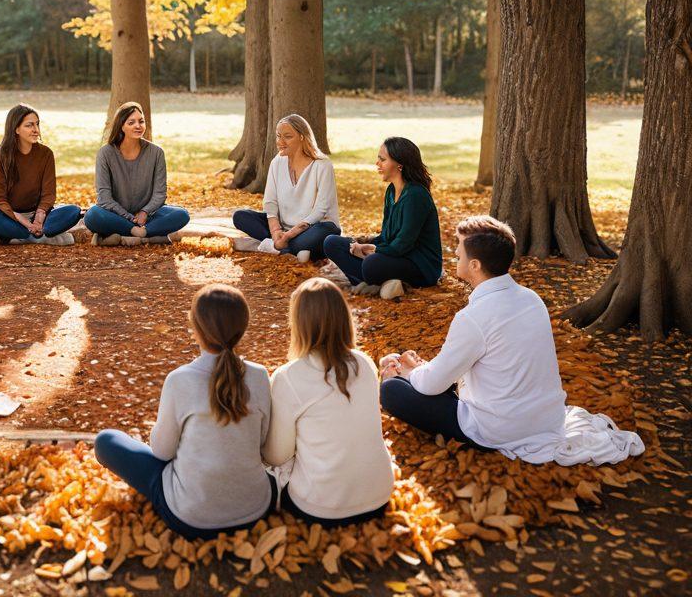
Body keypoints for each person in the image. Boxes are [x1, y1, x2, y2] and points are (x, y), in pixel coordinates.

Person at [379, 216, 643, 465]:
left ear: (475, 265)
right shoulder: (532, 299)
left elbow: (431, 385)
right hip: (546, 420)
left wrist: (407, 373)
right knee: (429, 377)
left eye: (459, 248)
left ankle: (401, 376)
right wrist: (421, 371)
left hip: (499, 429)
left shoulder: (472, 317)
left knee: (391, 390)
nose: (456, 253)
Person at [93, 284, 275, 539]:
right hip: (255, 511)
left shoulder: (180, 380)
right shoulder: (259, 376)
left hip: (190, 517)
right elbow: (263, 444)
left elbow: (162, 452)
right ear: (242, 329)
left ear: (196, 329)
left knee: (106, 441)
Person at [265, 278, 393, 526]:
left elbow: (277, 456)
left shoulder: (288, 377)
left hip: (320, 506)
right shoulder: (364, 363)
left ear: (298, 323)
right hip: (379, 496)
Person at [322, 136, 442, 299]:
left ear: (399, 164)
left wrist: (373, 250)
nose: (377, 164)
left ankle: (371, 280)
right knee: (332, 242)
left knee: (372, 264)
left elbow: (403, 245)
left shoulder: (416, 196)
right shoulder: (391, 191)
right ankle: (377, 282)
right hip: (394, 256)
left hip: (419, 265)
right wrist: (363, 245)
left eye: (382, 159)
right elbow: (386, 236)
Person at [232, 115, 341, 262]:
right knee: (240, 216)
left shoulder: (322, 165)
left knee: (326, 231)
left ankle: (278, 246)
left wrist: (289, 235)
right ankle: (291, 249)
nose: (280, 142)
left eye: (287, 137)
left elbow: (321, 210)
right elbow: (270, 202)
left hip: (313, 227)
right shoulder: (277, 162)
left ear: (302, 137)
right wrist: (276, 231)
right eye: (278, 136)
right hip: (283, 227)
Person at [84, 101, 191, 246]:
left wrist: (144, 212)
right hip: (116, 215)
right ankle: (146, 235)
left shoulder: (156, 153)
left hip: (148, 217)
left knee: (181, 214)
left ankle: (134, 234)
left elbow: (160, 194)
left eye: (141, 121)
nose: (138, 126)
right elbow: (104, 198)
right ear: (121, 126)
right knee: (92, 215)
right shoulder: (105, 153)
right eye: (131, 122)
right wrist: (129, 218)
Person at [0, 104, 82, 245]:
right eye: (29, 125)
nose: (36, 130)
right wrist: (25, 223)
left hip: (38, 214)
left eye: (37, 124)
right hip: (9, 216)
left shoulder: (46, 154)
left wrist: (39, 218)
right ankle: (36, 236)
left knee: (73, 211)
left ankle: (20, 237)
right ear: (16, 129)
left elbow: (48, 194)